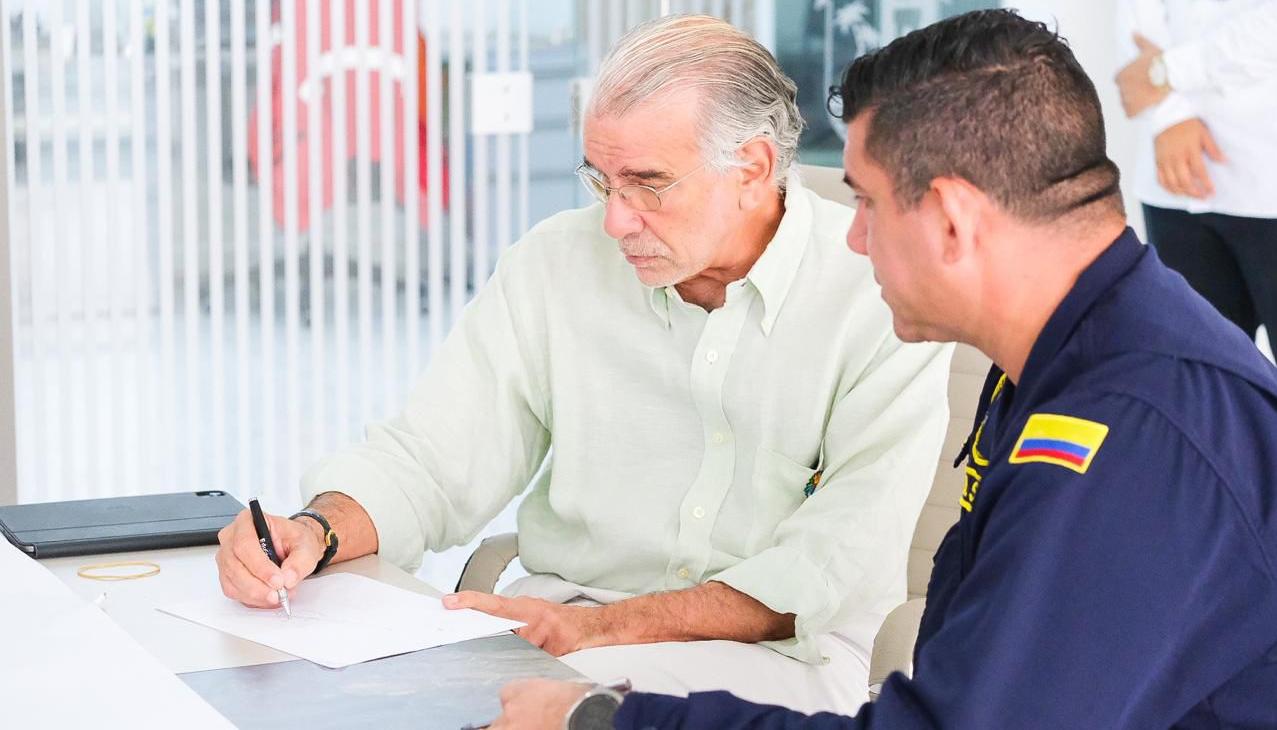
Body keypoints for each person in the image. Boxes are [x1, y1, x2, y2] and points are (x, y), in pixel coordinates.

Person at [488, 9, 1277, 729]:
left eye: (865, 203)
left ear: (950, 219)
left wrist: (604, 720)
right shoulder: (1069, 357)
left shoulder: (1131, 432)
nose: (854, 239)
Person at [214, 15, 953, 715]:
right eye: (601, 180)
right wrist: (316, 529)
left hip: (784, 661)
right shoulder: (555, 264)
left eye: (647, 183)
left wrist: (598, 633)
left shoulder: (877, 291)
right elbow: (434, 460)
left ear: (752, 167)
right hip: (556, 636)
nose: (614, 220)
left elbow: (827, 565)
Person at [1114, 0, 1277, 356]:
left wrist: (1168, 72)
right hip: (1174, 177)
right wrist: (1168, 116)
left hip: (1267, 169)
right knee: (1200, 380)